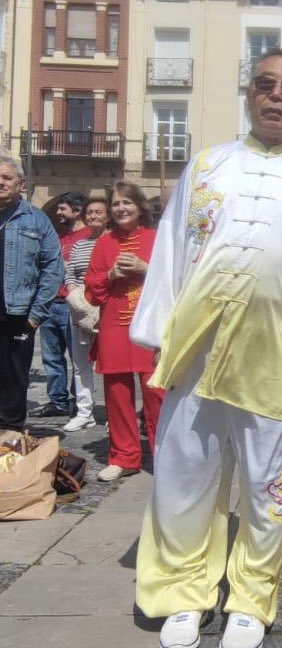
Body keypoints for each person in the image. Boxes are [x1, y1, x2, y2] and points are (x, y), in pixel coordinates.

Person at [131, 49, 282, 648]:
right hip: (196, 347)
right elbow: (172, 250)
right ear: (250, 94)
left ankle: (251, 595)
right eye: (265, 85)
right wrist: (158, 338)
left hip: (274, 350)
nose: (276, 96)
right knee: (185, 471)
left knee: (266, 479)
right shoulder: (205, 166)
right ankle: (183, 591)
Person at [84, 183, 161, 480]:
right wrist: (110, 275)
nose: (120, 208)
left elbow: (174, 281)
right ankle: (124, 456)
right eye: (116, 204)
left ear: (140, 207)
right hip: (114, 326)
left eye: (126, 202)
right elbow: (92, 292)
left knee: (157, 392)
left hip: (150, 327)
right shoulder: (103, 244)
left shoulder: (156, 240)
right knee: (117, 395)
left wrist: (145, 267)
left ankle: (163, 452)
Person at [0, 156, 64, 432]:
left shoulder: (36, 220)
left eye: (7, 177)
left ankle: (9, 440)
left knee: (14, 380)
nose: (1, 182)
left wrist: (36, 314)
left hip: (18, 314)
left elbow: (53, 268)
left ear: (21, 183)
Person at [29, 191, 86, 418]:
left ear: (77, 210)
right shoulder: (58, 237)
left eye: (62, 208)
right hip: (51, 304)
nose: (58, 212)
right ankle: (58, 402)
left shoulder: (90, 236)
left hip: (73, 306)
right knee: (51, 358)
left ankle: (79, 402)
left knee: (77, 359)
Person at [61, 196, 108, 432]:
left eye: (98, 212)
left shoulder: (112, 241)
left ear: (107, 215)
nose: (93, 216)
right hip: (80, 309)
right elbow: (68, 271)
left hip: (107, 308)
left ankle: (114, 414)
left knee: (110, 364)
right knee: (80, 363)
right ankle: (84, 412)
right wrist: (72, 289)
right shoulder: (80, 244)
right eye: (89, 212)